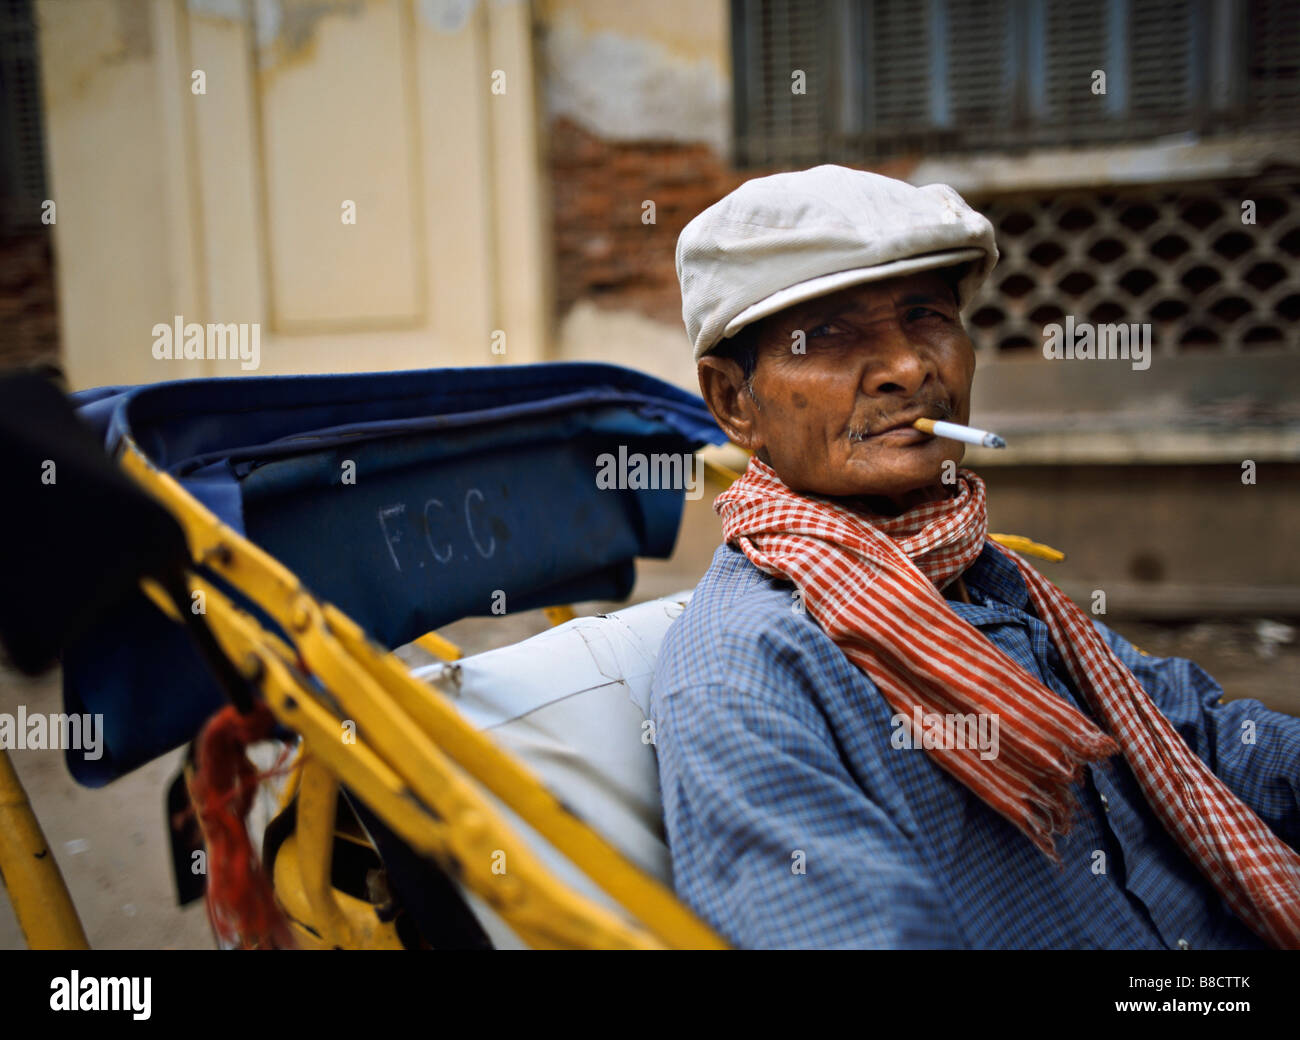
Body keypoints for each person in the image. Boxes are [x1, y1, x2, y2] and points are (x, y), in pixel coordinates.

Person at [649, 164, 1300, 950]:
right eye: (827, 334)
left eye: (926, 316)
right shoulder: (746, 675)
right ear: (731, 402)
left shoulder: (984, 570)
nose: (911, 369)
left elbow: (1195, 732)